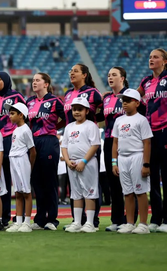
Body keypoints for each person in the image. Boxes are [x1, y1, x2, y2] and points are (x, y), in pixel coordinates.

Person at [63, 64, 103, 229]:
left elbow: (104, 111)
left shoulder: (93, 93)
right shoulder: (67, 94)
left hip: (87, 144)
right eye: (70, 71)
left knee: (90, 186)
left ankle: (92, 221)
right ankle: (77, 221)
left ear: (85, 75)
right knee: (75, 189)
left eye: (76, 71)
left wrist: (92, 122)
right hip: (71, 141)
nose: (72, 73)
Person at [26, 73, 65, 230]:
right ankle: (40, 219)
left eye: (37, 80)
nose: (34, 82)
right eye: (33, 80)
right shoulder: (29, 102)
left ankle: (52, 219)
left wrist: (54, 128)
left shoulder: (55, 101)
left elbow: (67, 119)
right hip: (33, 142)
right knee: (36, 181)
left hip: (49, 140)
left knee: (49, 180)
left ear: (46, 84)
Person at [111, 89, 153, 234]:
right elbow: (115, 143)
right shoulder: (119, 120)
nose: (124, 104)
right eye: (123, 101)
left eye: (128, 101)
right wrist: (114, 162)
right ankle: (129, 223)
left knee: (140, 191)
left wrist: (146, 164)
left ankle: (143, 224)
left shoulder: (141, 120)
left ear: (136, 103)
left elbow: (147, 143)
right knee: (127, 192)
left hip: (137, 156)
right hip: (122, 158)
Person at [137, 48, 167, 232]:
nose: (151, 59)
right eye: (149, 57)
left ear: (165, 61)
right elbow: (134, 98)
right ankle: (156, 218)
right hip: (149, 133)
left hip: (165, 130)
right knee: (152, 177)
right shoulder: (146, 82)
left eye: (155, 57)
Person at [0, 71, 26, 226]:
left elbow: (25, 116)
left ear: (6, 80)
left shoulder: (17, 97)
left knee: (18, 178)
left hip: (14, 139)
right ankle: (3, 218)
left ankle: (21, 217)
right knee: (2, 179)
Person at [101, 67, 130, 232]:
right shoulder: (106, 98)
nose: (110, 77)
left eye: (114, 75)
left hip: (127, 140)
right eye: (108, 75)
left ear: (123, 78)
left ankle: (131, 219)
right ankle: (117, 219)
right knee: (113, 180)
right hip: (109, 141)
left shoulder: (130, 95)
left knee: (128, 180)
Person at [4, 103, 36, 233]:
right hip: (14, 159)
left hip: (22, 160)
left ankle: (27, 222)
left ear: (21, 115)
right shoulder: (16, 130)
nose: (10, 116)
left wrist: (29, 167)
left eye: (12, 113)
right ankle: (18, 221)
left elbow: (33, 151)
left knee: (26, 192)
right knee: (17, 192)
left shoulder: (25, 130)